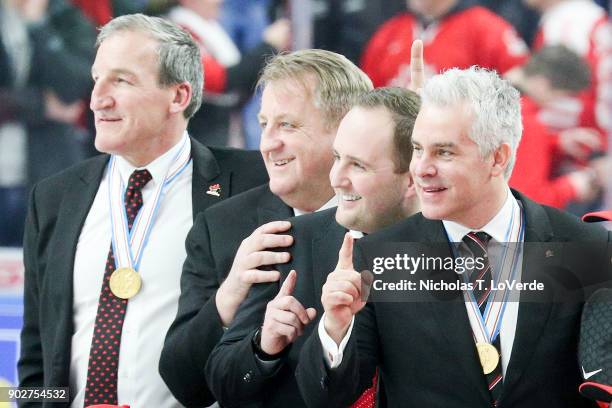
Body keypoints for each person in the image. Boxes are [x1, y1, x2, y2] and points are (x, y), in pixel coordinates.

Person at [295, 67, 612, 407]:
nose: (422, 168)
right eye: (418, 149)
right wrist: (335, 330)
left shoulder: (584, 245)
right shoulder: (380, 256)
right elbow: (326, 398)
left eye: (443, 152)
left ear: (497, 157)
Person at [17, 14, 268, 408]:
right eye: (97, 78)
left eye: (122, 80)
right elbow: (35, 352)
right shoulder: (52, 198)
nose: (98, 98)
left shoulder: (251, 183)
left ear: (178, 96)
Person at [158, 48, 374, 407]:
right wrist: (230, 297)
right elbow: (183, 384)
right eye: (263, 124)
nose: (268, 143)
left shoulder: (396, 215)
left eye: (287, 125)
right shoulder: (223, 227)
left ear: (345, 129)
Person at [205, 87, 421, 407]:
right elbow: (222, 382)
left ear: (412, 180)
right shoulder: (289, 242)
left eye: (358, 166)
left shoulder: (461, 254)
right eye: (337, 158)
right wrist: (264, 346)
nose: (337, 178)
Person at [506, 45, 603, 208]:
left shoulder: (497, 100)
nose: (555, 102)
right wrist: (573, 186)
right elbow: (527, 203)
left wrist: (556, 142)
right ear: (543, 84)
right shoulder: (525, 123)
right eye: (560, 96)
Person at [360, 0, 529, 88]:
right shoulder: (388, 33)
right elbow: (367, 96)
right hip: (397, 145)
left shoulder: (488, 29)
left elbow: (524, 86)